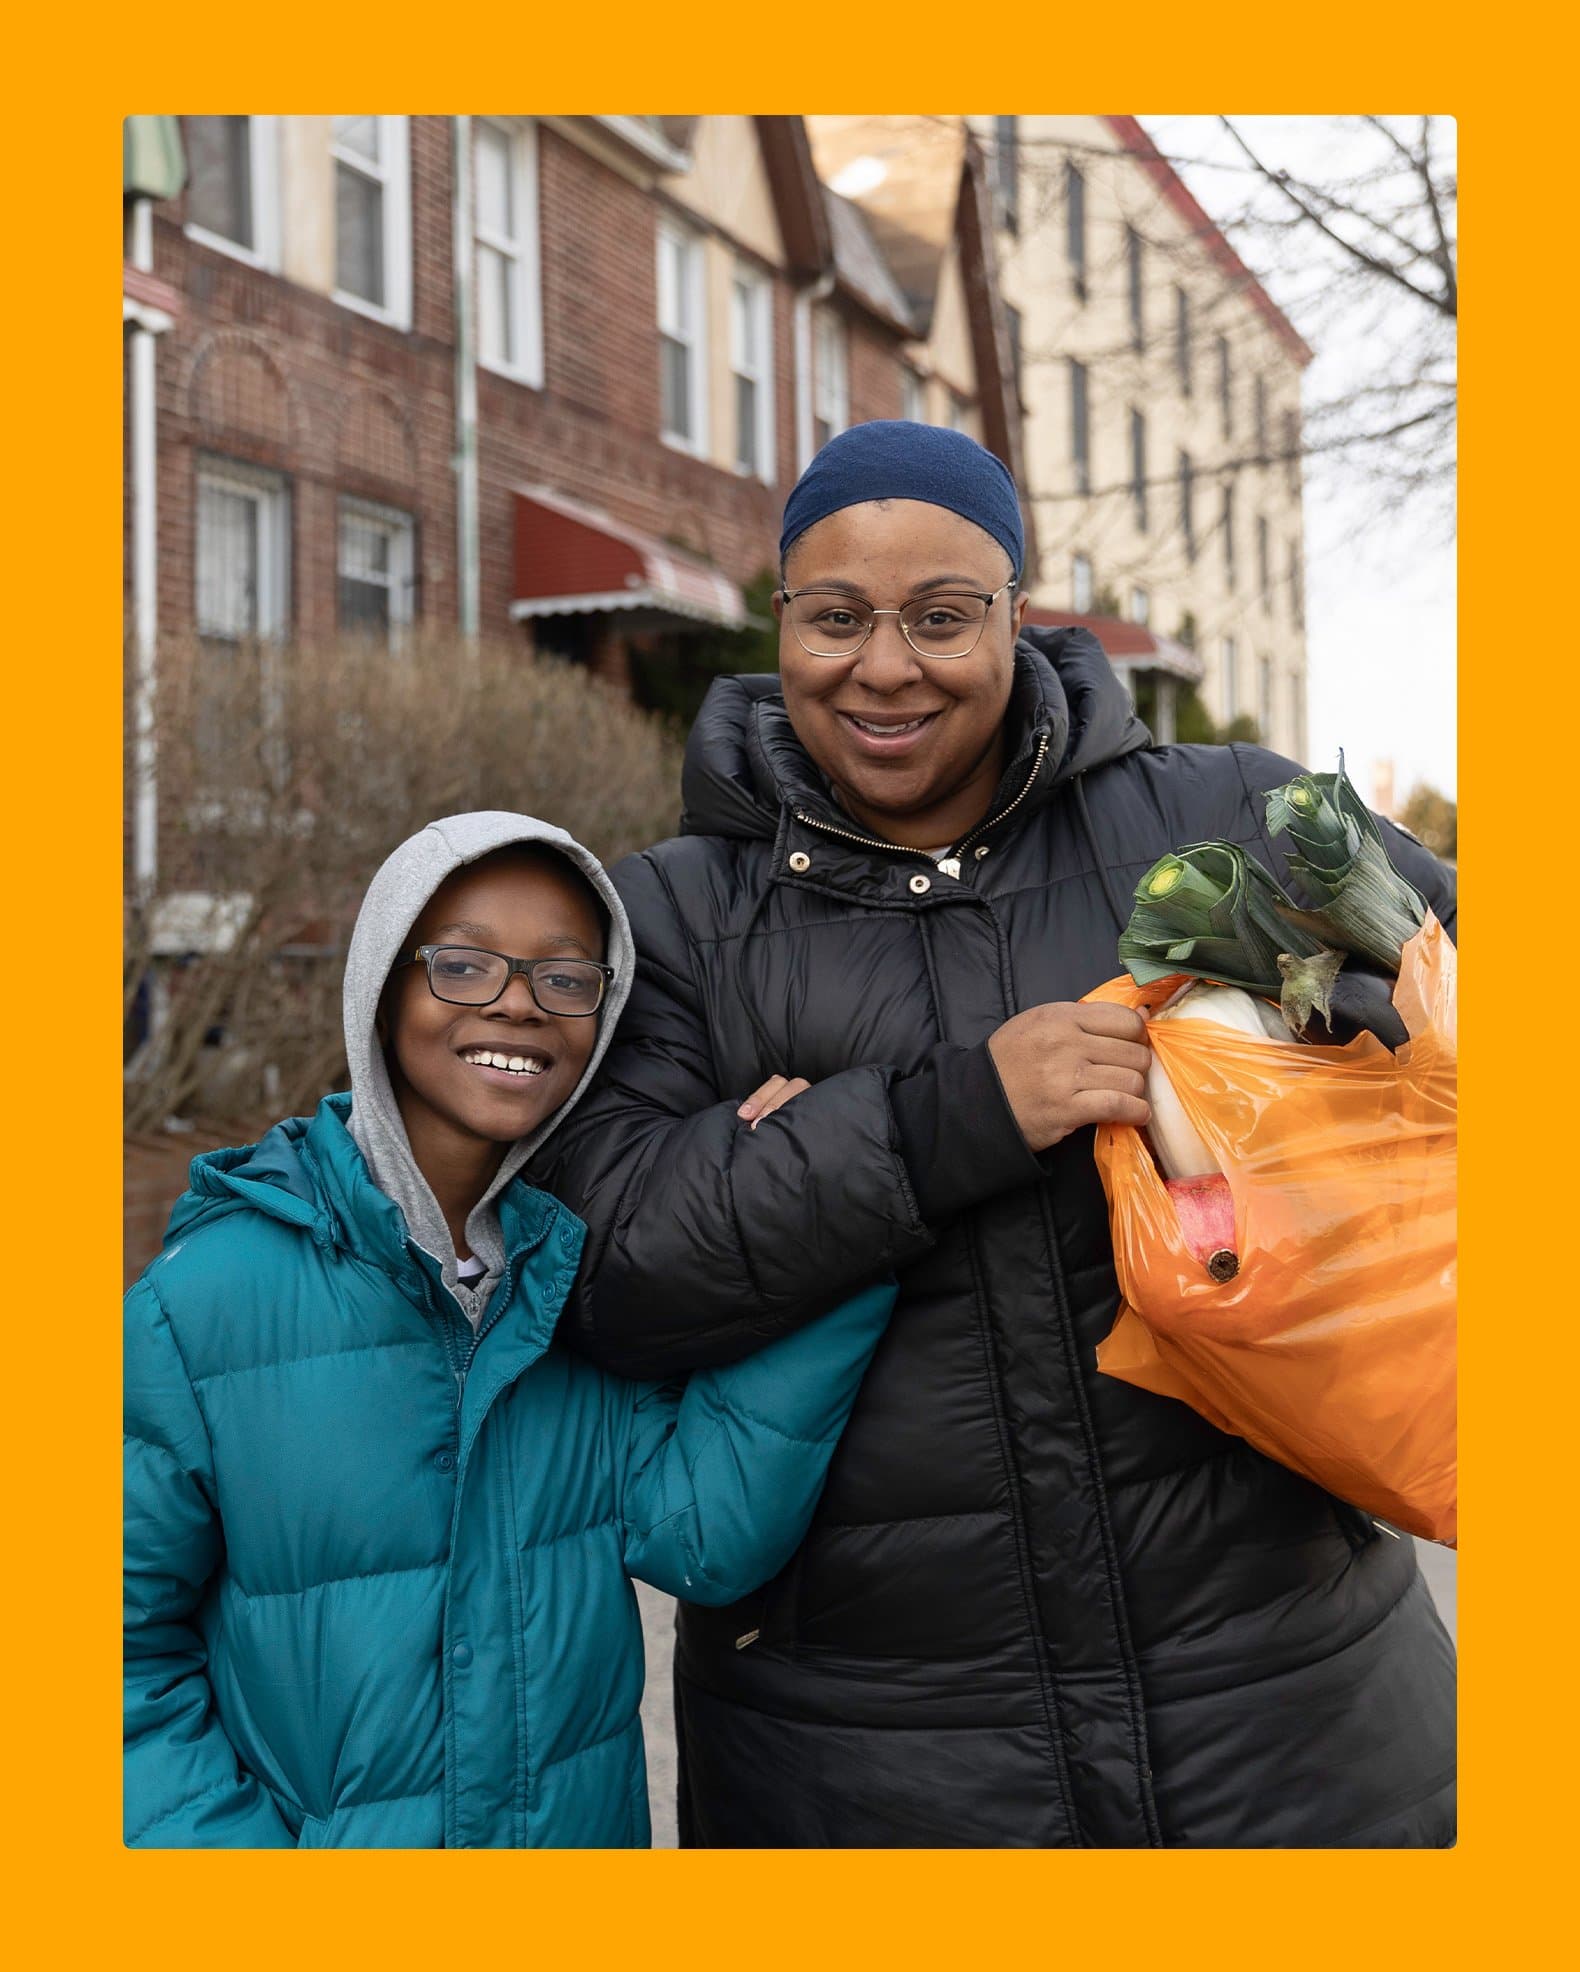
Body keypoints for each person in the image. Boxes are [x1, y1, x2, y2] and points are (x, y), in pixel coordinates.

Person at [542, 422, 1459, 1848]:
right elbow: (605, 1273)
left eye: (942, 615)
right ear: (780, 619)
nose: (885, 665)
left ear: (1020, 616)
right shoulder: (668, 919)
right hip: (863, 1765)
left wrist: (1315, 1057)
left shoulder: (1227, 818)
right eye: (835, 616)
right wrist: (953, 1116)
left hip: (1297, 1723)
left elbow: (1479, 1004)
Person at [123, 811, 894, 1848]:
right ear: (383, 987)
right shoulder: (205, 1300)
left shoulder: (578, 1280)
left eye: (567, 978)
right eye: (464, 966)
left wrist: (819, 1205)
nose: (519, 1005)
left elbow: (702, 1536)